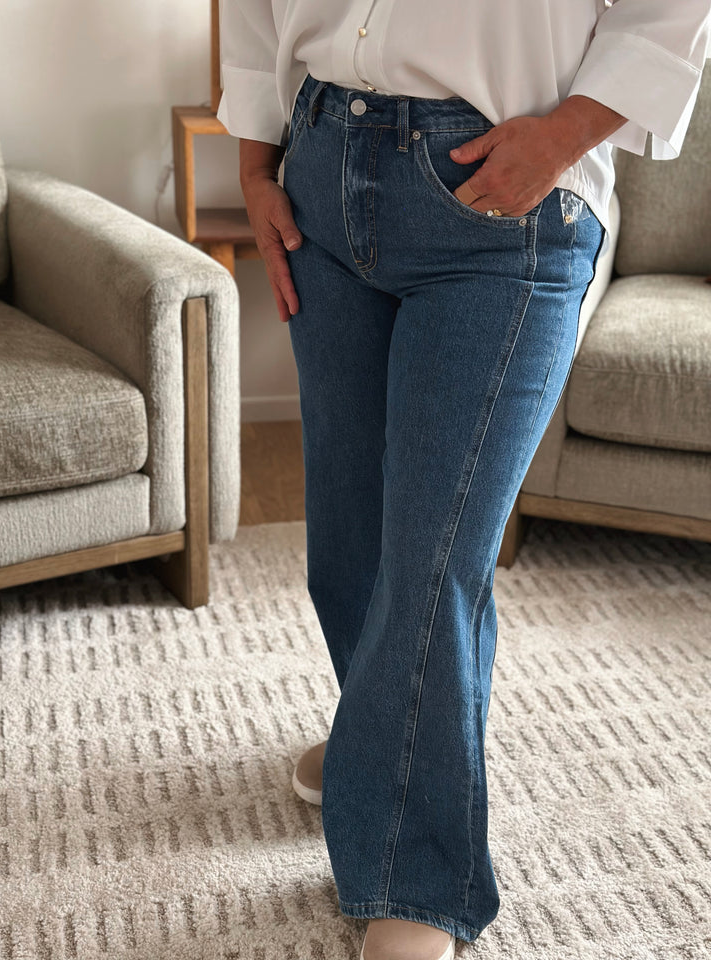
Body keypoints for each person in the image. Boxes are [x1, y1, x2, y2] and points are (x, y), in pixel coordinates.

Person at [216, 3, 711, 959]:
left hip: (504, 189)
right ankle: (383, 744)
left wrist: (568, 135)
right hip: (322, 164)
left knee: (434, 553)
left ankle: (417, 881)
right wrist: (253, 161)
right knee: (350, 542)